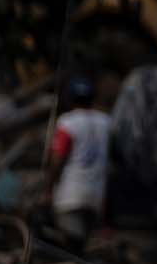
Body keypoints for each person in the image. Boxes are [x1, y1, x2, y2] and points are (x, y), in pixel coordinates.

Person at [44, 77, 112, 245]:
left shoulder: (67, 122)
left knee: (71, 247)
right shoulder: (106, 122)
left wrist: (48, 188)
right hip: (96, 196)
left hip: (70, 195)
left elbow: (57, 159)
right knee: (83, 245)